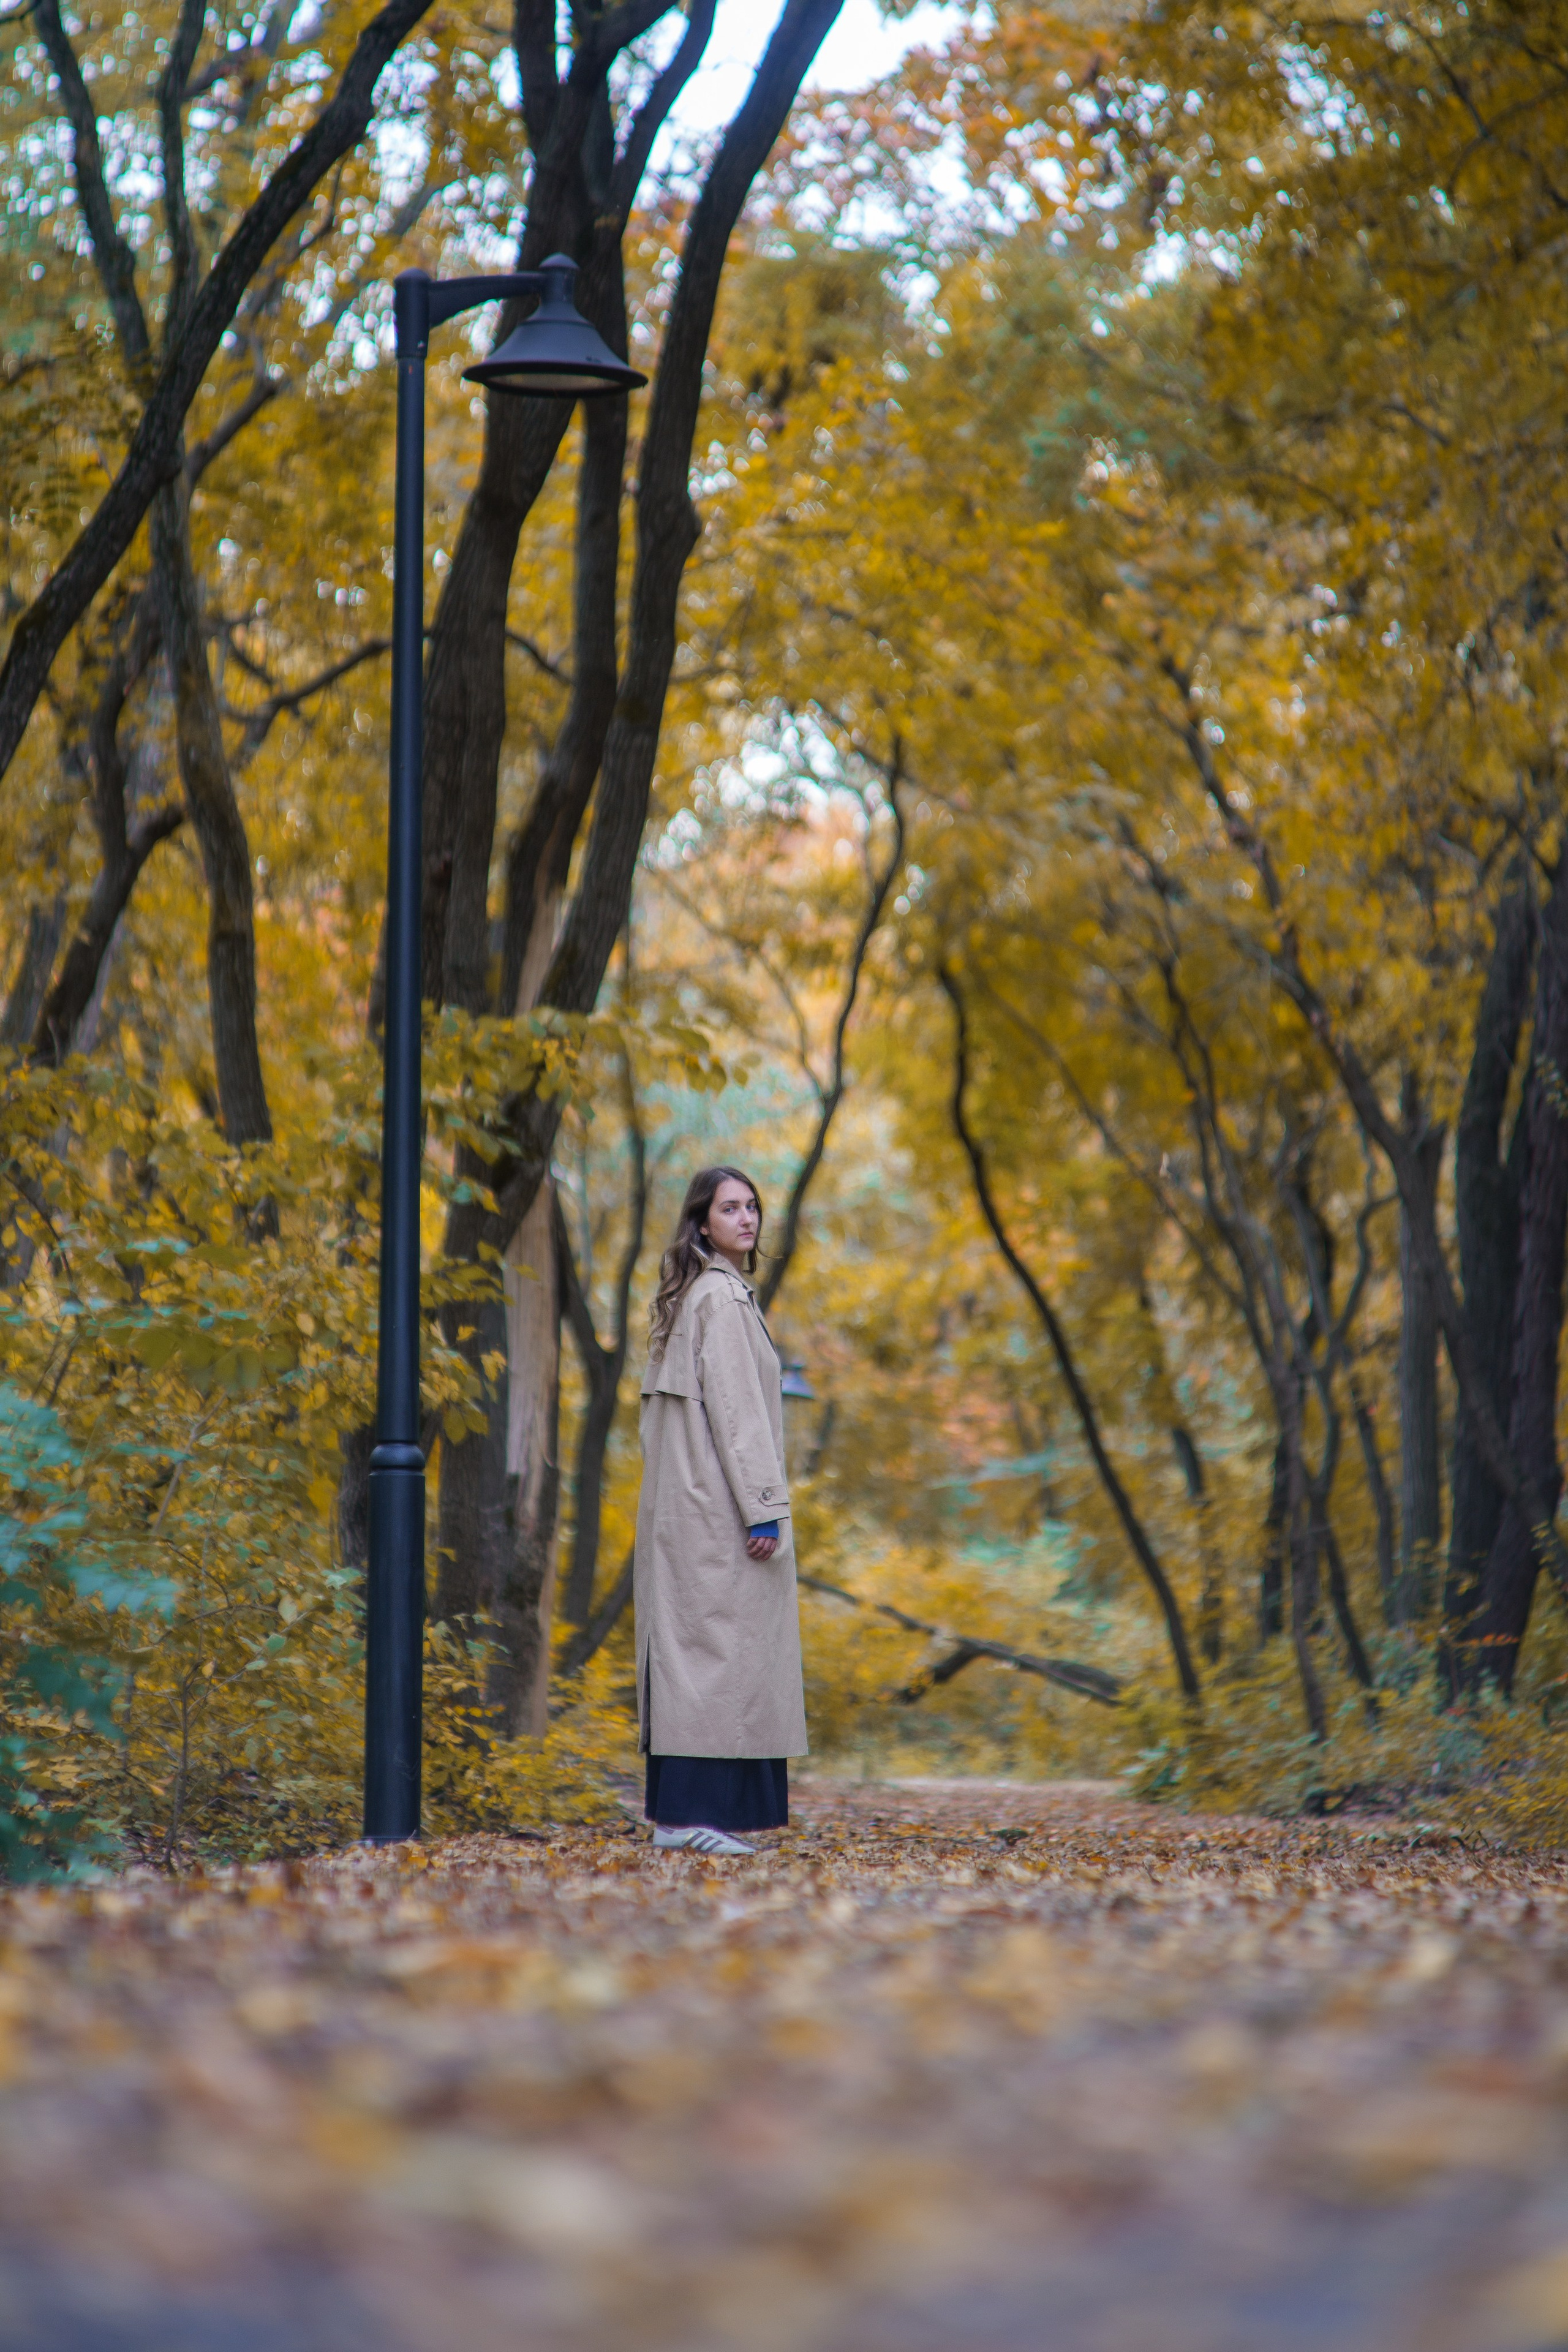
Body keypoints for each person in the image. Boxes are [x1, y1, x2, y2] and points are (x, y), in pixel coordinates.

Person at [635, 1164, 807, 1856]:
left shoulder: (693, 1296)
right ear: (702, 1221)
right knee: (718, 1657)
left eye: (752, 1207)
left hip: (686, 1504)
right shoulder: (722, 1300)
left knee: (695, 1654)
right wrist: (762, 1507)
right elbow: (739, 1417)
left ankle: (680, 1818)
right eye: (729, 1208)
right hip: (718, 1506)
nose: (746, 1218)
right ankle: (690, 1818)